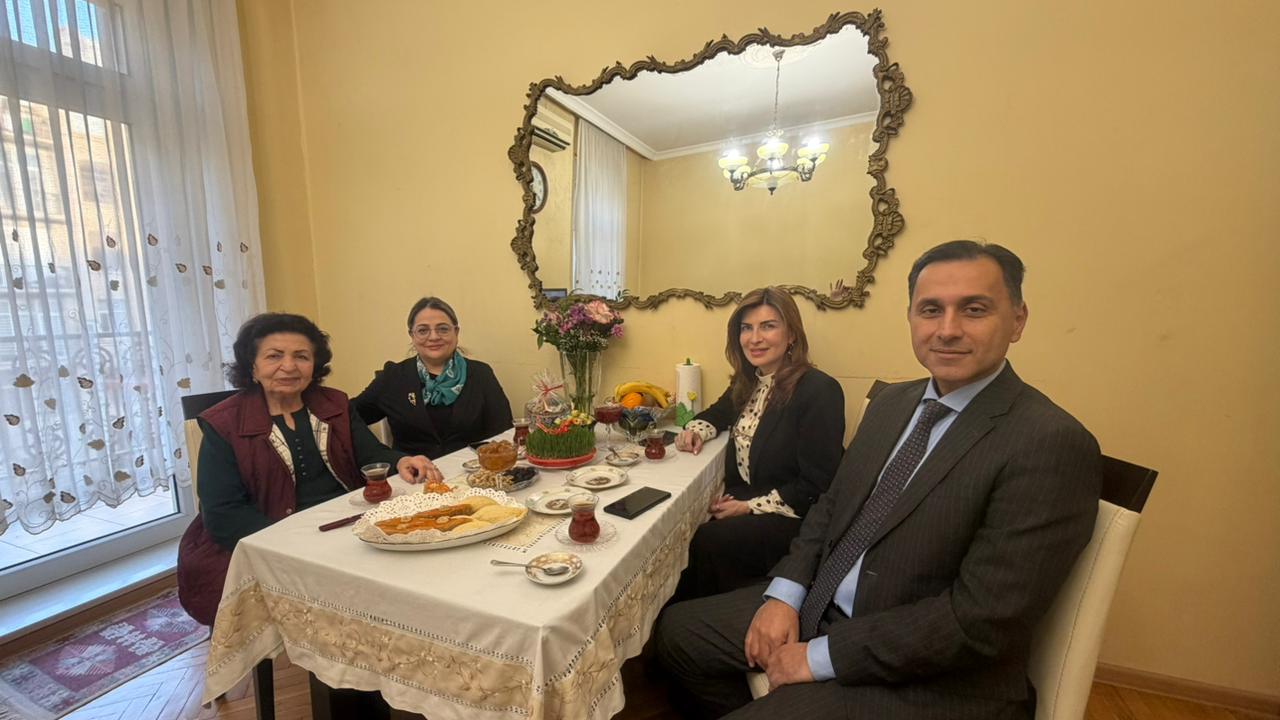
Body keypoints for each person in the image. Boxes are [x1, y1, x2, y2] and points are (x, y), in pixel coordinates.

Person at [655, 241, 1102, 719]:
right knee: (677, 635)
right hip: (825, 605)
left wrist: (819, 658)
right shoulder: (892, 403)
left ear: (1017, 320)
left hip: (932, 674)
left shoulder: (1049, 442)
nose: (948, 329)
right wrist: (785, 594)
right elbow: (831, 506)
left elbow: (982, 621)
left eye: (974, 310)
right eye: (930, 310)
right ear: (910, 318)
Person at [177, 313, 441, 626]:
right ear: (252, 366)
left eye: (301, 356)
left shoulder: (334, 403)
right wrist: (295, 545)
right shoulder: (224, 424)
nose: (289, 366)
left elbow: (369, 452)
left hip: (343, 526)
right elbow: (224, 515)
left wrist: (399, 460)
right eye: (274, 356)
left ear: (315, 365)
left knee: (422, 570)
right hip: (268, 541)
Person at [671, 287, 845, 600]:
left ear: (792, 335)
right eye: (746, 328)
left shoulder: (818, 390)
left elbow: (817, 486)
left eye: (768, 326)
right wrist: (694, 430)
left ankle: (689, 619)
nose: (754, 338)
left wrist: (748, 507)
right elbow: (717, 413)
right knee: (684, 524)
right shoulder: (751, 381)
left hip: (795, 516)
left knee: (704, 540)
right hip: (751, 494)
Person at [354, 297, 513, 459]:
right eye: (423, 330)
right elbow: (348, 419)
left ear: (456, 332)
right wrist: (382, 455)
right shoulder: (393, 377)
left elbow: (504, 432)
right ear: (412, 335)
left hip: (472, 471)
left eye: (443, 329)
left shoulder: (481, 374)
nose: (434, 337)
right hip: (413, 473)